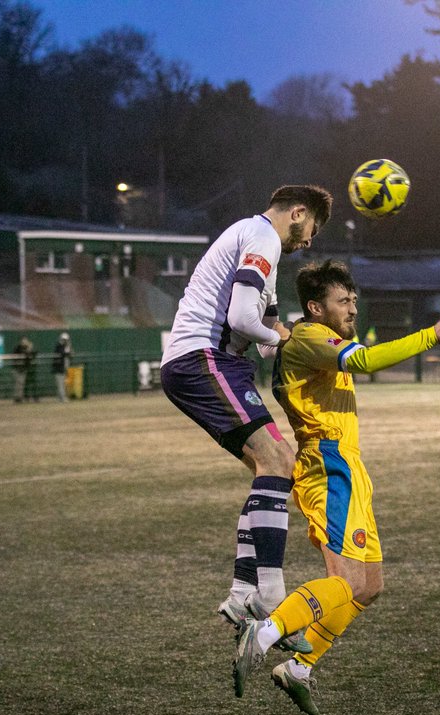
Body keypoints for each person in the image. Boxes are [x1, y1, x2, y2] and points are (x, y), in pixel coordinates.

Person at [233, 259, 440, 713]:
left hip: (349, 467)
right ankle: (263, 633)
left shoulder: (311, 336)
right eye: (343, 301)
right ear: (314, 307)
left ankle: (299, 667)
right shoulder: (308, 338)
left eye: (354, 300)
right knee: (343, 583)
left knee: (369, 585)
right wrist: (430, 334)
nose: (352, 308)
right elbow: (362, 359)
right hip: (326, 466)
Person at [159, 183, 333, 656]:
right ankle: (271, 597)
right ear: (298, 213)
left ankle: (242, 596)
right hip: (204, 358)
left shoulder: (261, 247)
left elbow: (264, 330)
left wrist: (291, 338)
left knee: (278, 465)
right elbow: (240, 320)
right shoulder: (263, 238)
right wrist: (286, 341)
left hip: (212, 362)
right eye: (312, 228)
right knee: (276, 460)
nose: (311, 241)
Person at [13, 336, 36, 402]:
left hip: (23, 369)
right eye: (23, 341)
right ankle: (17, 397)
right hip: (17, 368)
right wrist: (28, 349)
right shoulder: (18, 348)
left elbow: (32, 355)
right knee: (18, 383)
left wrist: (30, 349)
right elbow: (19, 353)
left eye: (25, 341)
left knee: (22, 383)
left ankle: (20, 397)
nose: (24, 342)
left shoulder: (27, 348)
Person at [52, 332, 73, 402]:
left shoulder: (66, 347)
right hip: (58, 368)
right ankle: (62, 398)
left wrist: (68, 348)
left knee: (62, 383)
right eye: (64, 339)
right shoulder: (58, 346)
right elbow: (62, 353)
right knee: (60, 384)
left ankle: (60, 397)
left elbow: (70, 354)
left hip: (63, 368)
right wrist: (67, 349)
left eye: (66, 340)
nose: (65, 341)